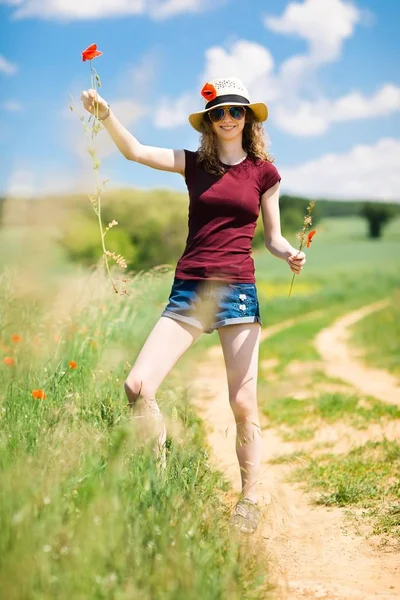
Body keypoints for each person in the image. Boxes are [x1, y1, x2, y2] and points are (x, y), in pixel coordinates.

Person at [81, 77, 306, 534]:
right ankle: (160, 482)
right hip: (189, 288)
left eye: (235, 111)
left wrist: (288, 253)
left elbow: (273, 236)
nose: (226, 118)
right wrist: (106, 116)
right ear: (208, 121)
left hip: (237, 290)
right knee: (138, 385)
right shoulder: (194, 165)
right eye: (218, 112)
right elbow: (136, 152)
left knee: (244, 403)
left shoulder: (265, 173)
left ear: (248, 118)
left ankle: (250, 497)